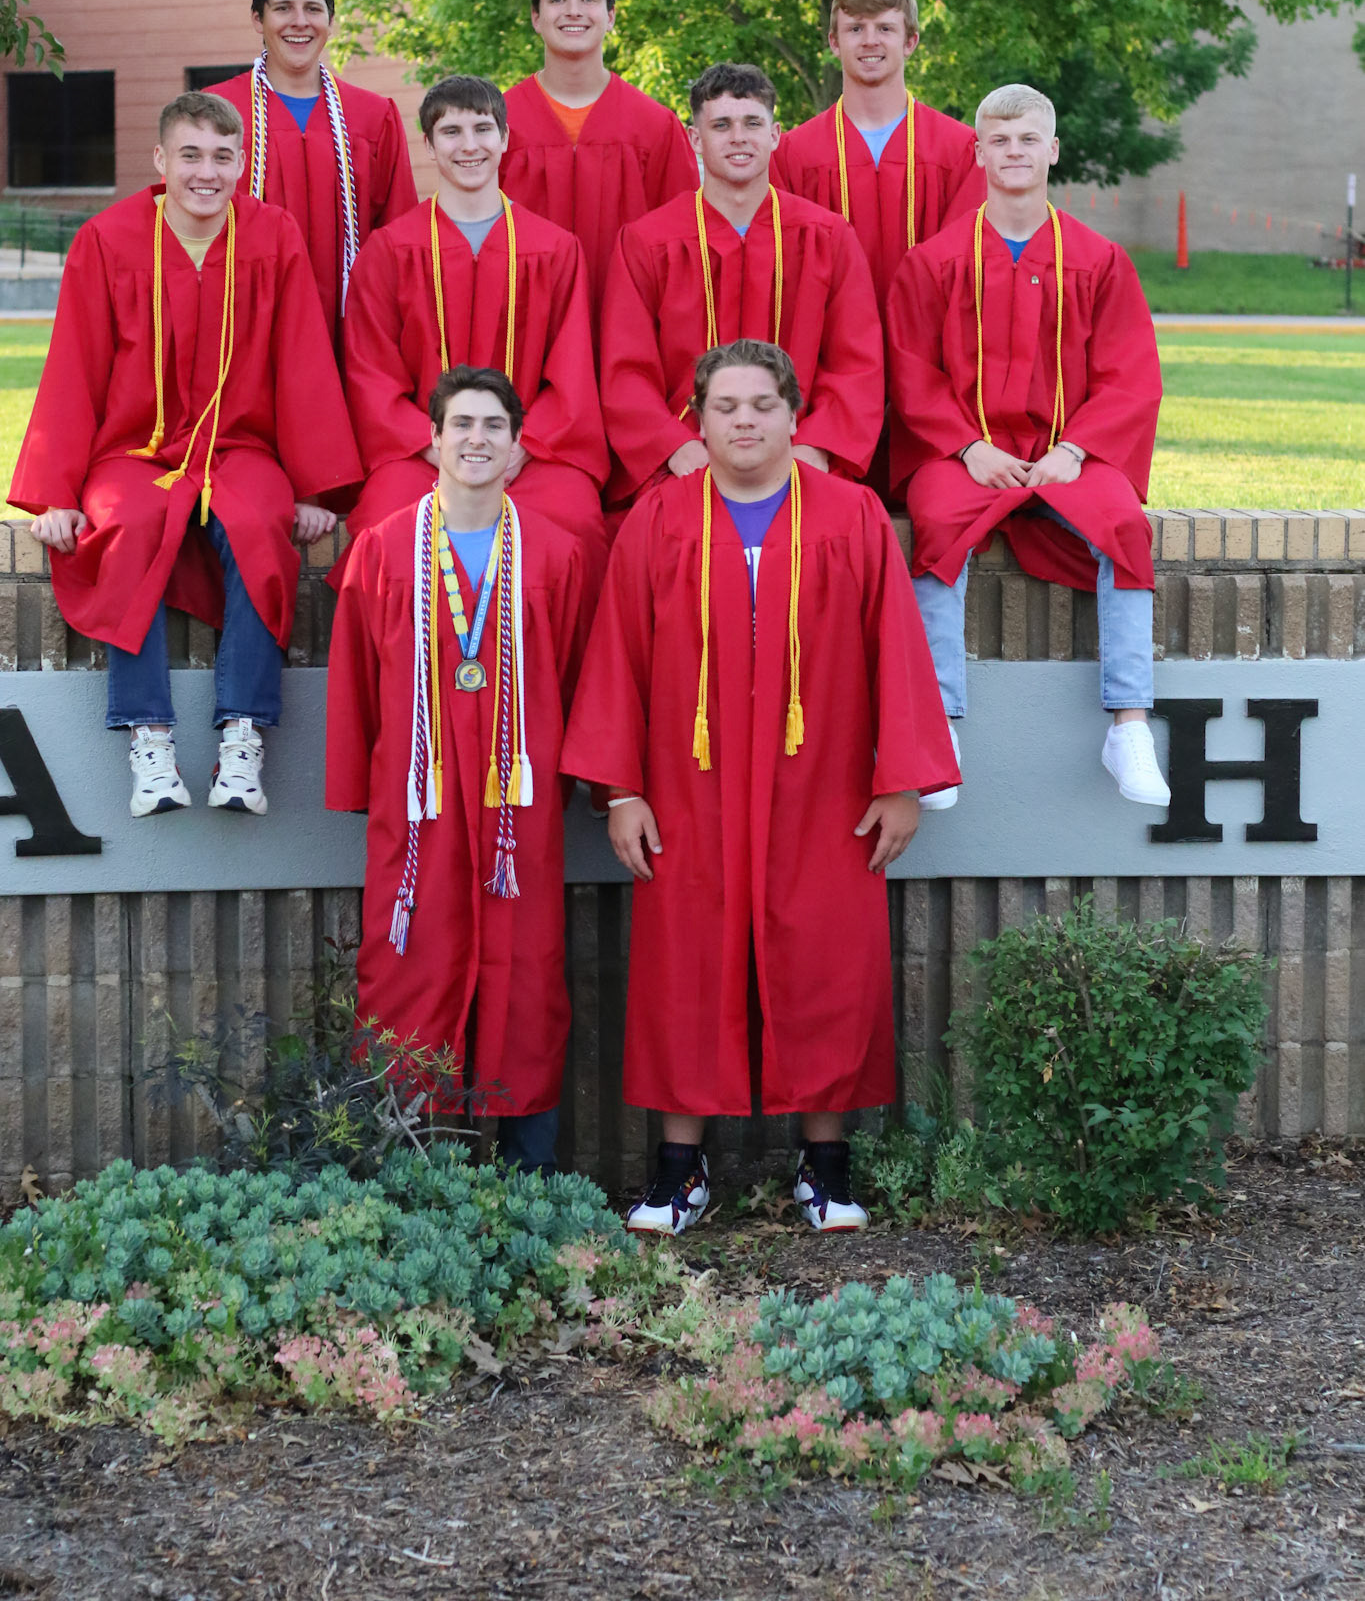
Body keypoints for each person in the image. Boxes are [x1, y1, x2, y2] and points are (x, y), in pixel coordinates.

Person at [562, 340, 959, 1233]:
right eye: (724, 406)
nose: (743, 420)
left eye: (761, 404)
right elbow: (617, 657)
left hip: (821, 780)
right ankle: (677, 1170)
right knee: (683, 964)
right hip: (686, 783)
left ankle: (826, 1168)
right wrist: (620, 789)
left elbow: (893, 646)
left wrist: (901, 784)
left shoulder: (851, 514)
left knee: (827, 960)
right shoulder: (659, 518)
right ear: (697, 423)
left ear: (793, 416)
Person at [9, 91, 360, 818]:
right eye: (191, 156)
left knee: (263, 531)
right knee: (128, 528)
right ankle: (150, 739)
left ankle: (241, 739)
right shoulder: (109, 240)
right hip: (131, 453)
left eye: (223, 157)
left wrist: (316, 488)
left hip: (240, 447)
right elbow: (75, 367)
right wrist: (57, 494)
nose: (207, 172)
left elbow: (300, 360)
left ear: (242, 164)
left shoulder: (273, 235)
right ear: (161, 160)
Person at [326, 366, 588, 1176]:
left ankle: (530, 1176)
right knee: (412, 965)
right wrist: (366, 787)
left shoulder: (555, 554)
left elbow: (580, 672)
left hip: (518, 806)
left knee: (527, 970)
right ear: (432, 439)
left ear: (517, 449)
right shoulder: (382, 550)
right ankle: (409, 1172)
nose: (476, 439)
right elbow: (356, 683)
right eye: (461, 424)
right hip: (419, 801)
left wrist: (582, 779)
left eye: (494, 427)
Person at [886, 83, 1169, 812]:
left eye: (1027, 139)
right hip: (965, 455)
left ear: (1051, 150)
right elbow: (911, 372)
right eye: (999, 140)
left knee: (1124, 527)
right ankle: (939, 727)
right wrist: (962, 445)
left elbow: (1128, 375)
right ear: (977, 153)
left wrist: (1074, 450)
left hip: (1065, 453)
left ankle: (1129, 721)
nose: (1013, 152)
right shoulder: (934, 260)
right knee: (938, 527)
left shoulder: (1097, 258)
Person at [340, 74, 608, 581]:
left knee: (577, 523)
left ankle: (554, 664)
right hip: (422, 451)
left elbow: (571, 374)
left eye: (483, 129)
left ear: (505, 139)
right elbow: (371, 373)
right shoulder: (390, 251)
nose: (469, 146)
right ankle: (408, 663)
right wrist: (441, 446)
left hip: (528, 453)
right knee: (382, 525)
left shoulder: (553, 249)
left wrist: (513, 448)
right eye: (451, 132)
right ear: (428, 144)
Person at [598, 63, 883, 507]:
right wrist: (676, 448)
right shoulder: (648, 242)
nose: (738, 137)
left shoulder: (827, 237)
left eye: (753, 123)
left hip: (799, 456)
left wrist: (814, 449)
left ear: (775, 135)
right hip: (687, 462)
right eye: (721, 125)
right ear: (696, 139)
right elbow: (626, 371)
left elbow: (856, 363)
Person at [215, 0, 417, 343]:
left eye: (313, 8)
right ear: (258, 18)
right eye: (283, 8)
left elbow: (398, 234)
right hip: (242, 329)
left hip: (351, 331)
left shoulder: (372, 117)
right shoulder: (218, 113)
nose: (299, 22)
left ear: (330, 19)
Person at [500, 0, 697, 314]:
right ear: (536, 17)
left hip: (631, 327)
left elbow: (682, 245)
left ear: (610, 17)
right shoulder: (497, 125)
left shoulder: (654, 126)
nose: (573, 10)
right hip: (523, 328)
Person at [771, 0, 984, 303]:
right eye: (855, 28)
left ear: (910, 41)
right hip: (830, 351)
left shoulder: (960, 150)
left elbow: (970, 278)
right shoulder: (793, 155)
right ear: (834, 43)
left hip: (929, 350)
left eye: (885, 28)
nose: (870, 40)